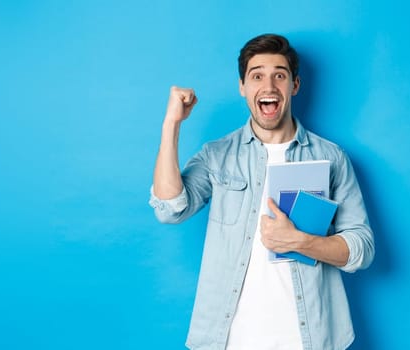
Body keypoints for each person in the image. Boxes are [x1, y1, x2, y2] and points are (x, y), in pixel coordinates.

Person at [149, 34, 375, 350]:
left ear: (294, 85)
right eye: (257, 76)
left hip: (309, 338)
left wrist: (301, 241)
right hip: (229, 339)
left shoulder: (331, 158)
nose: (268, 86)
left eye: (279, 75)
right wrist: (171, 124)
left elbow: (361, 248)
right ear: (242, 86)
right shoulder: (218, 155)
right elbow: (169, 208)